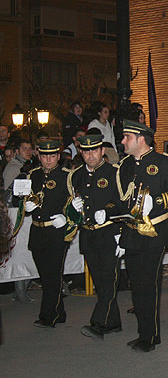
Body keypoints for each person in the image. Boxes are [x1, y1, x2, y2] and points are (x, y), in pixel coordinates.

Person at [95, 120, 168, 352]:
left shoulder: (166, 162)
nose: (123, 141)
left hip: (155, 231)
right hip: (131, 232)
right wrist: (105, 211)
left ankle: (149, 336)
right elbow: (120, 200)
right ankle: (147, 333)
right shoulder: (124, 165)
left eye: (127, 137)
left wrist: (155, 202)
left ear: (141, 139)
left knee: (148, 283)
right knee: (137, 284)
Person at [68, 134, 123, 339]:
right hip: (88, 235)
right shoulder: (76, 176)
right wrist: (72, 210)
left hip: (109, 233)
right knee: (101, 282)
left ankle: (99, 323)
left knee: (109, 280)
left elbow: (123, 203)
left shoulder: (115, 173)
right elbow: (72, 206)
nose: (90, 155)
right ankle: (114, 322)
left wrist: (119, 231)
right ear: (81, 152)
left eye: (94, 150)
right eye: (86, 151)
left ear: (102, 151)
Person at [22, 140, 71, 327]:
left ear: (58, 156)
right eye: (44, 156)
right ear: (39, 156)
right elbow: (23, 201)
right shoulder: (32, 175)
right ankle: (60, 311)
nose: (48, 160)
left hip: (56, 230)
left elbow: (76, 202)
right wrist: (25, 207)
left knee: (53, 274)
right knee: (45, 275)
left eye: (52, 156)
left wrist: (66, 217)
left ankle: (48, 315)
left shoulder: (67, 176)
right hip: (37, 230)